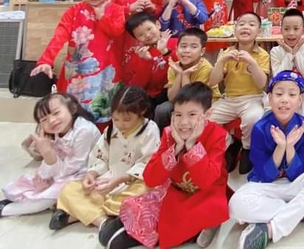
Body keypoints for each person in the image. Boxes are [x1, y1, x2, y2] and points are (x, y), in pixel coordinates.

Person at [104, 83, 230, 249]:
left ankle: (195, 228)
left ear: (207, 114)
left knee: (212, 208)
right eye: (178, 114)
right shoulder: (169, 133)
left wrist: (191, 146)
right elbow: (151, 179)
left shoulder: (218, 135)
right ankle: (160, 229)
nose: (183, 122)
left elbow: (206, 181)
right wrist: (175, 148)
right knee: (140, 204)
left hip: (205, 192)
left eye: (192, 114)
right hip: (176, 190)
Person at [229, 71, 304, 249]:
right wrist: (281, 148)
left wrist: (290, 147)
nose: (285, 100)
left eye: (292, 95)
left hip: (294, 184)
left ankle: (271, 229)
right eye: (279, 94)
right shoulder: (260, 128)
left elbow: (298, 173)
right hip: (266, 187)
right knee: (235, 205)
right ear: (270, 99)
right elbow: (265, 176)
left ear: (300, 100)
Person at [0, 93, 101, 221]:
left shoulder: (84, 131)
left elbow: (73, 167)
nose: (51, 121)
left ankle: (2, 210)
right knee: (33, 184)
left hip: (84, 173)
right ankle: (15, 202)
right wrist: (45, 172)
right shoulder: (55, 132)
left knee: (48, 198)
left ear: (72, 108)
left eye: (56, 113)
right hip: (62, 170)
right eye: (44, 119)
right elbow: (51, 164)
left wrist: (48, 156)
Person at [51, 86, 160, 233]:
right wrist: (91, 175)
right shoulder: (111, 130)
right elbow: (100, 156)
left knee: (143, 194)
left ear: (142, 111)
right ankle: (103, 221)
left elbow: (147, 163)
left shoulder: (150, 130)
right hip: (108, 181)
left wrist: (119, 180)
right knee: (68, 189)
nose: (120, 124)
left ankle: (76, 215)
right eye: (115, 119)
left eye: (127, 120)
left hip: (133, 183)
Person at [31, 0, 124, 124]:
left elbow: (117, 32)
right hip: (76, 72)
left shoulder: (116, 10)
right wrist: (46, 60)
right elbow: (59, 36)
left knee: (104, 113)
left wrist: (102, 17)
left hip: (106, 71)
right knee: (71, 114)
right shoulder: (73, 11)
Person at [209, 12, 270, 174]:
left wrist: (252, 62)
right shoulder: (226, 52)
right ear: (234, 30)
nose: (245, 27)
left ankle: (247, 148)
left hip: (253, 98)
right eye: (241, 24)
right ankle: (230, 143)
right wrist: (222, 61)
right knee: (205, 121)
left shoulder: (262, 54)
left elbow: (262, 84)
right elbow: (213, 81)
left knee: (254, 118)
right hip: (229, 99)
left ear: (258, 31)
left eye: (251, 24)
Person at [111, 0, 165, 81]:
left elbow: (161, 14)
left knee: (146, 68)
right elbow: (109, 12)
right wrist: (128, 9)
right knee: (122, 69)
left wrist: (153, 8)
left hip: (148, 37)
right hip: (123, 37)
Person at [155, 28, 219, 131]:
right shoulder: (174, 66)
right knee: (162, 109)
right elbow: (172, 98)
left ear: (202, 51)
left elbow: (192, 100)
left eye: (193, 47)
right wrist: (179, 74)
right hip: (181, 102)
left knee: (191, 113)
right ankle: (164, 138)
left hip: (204, 104)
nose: (187, 50)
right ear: (176, 49)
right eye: (183, 46)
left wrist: (185, 75)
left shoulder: (205, 68)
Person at [270, 10, 304, 129]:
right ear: (281, 30)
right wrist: (289, 54)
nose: (291, 33)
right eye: (286, 29)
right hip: (282, 97)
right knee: (271, 119)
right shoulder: (276, 51)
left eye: (296, 29)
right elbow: (279, 77)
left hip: (303, 96)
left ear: (303, 30)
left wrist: (296, 53)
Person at [124, 12, 178, 115]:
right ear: (136, 38)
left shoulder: (175, 43)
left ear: (158, 24)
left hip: (172, 91)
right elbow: (138, 85)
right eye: (140, 35)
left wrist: (165, 51)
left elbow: (182, 66)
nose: (147, 35)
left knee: (162, 110)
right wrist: (147, 61)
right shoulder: (139, 54)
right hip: (149, 97)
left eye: (149, 29)